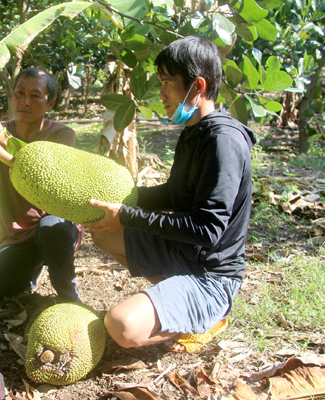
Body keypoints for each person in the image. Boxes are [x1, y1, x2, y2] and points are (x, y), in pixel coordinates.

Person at [82, 36, 256, 353]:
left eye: (168, 83)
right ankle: (173, 299)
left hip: (212, 277)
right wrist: (122, 198)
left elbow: (207, 230)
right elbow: (173, 194)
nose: (161, 94)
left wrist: (127, 215)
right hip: (184, 255)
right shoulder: (194, 132)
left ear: (198, 86)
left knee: (121, 325)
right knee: (104, 233)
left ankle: (205, 320)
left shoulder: (223, 142)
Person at [0, 68, 84, 303]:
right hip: (18, 233)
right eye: (19, 93)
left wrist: (6, 142)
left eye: (35, 96)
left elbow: (47, 173)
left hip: (56, 224)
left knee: (50, 228)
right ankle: (36, 263)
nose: (25, 101)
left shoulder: (62, 134)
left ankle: (70, 298)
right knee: (4, 285)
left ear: (50, 103)